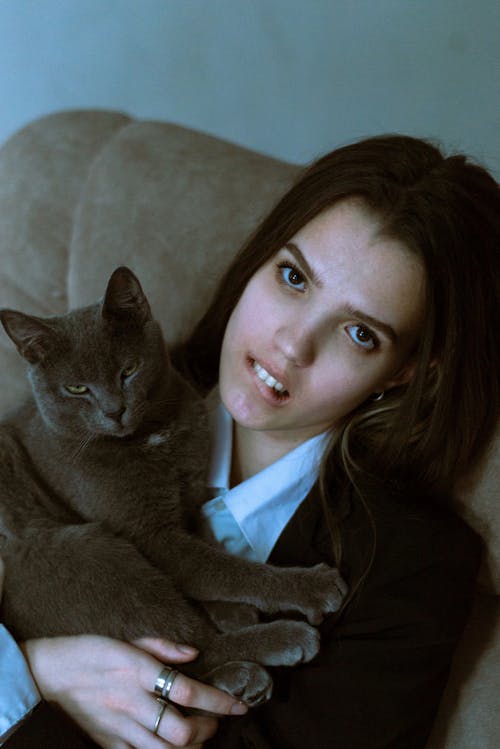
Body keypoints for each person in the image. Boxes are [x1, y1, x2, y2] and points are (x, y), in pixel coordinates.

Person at [1, 134, 499, 749]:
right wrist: (34, 673)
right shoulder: (77, 413)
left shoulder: (413, 569)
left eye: (359, 333)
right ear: (256, 261)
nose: (292, 345)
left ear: (410, 371)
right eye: (293, 277)